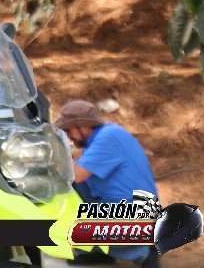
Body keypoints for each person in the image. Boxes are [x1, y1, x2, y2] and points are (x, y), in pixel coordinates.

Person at [54, 99, 160, 268]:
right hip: (129, 207)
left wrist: (59, 152)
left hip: (138, 212)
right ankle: (98, 252)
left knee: (64, 226)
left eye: (68, 130)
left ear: (83, 126)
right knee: (71, 191)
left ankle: (142, 251)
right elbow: (76, 167)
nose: (68, 136)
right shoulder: (102, 137)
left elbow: (76, 175)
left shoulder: (108, 138)